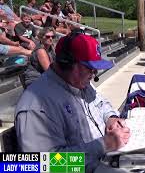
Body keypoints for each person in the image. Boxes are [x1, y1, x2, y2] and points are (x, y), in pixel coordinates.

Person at [15, 33, 131, 172]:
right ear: (68, 64)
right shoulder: (36, 105)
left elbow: (101, 102)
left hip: (108, 159)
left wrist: (111, 118)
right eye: (90, 68)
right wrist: (104, 144)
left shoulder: (80, 81)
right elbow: (44, 164)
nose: (95, 73)